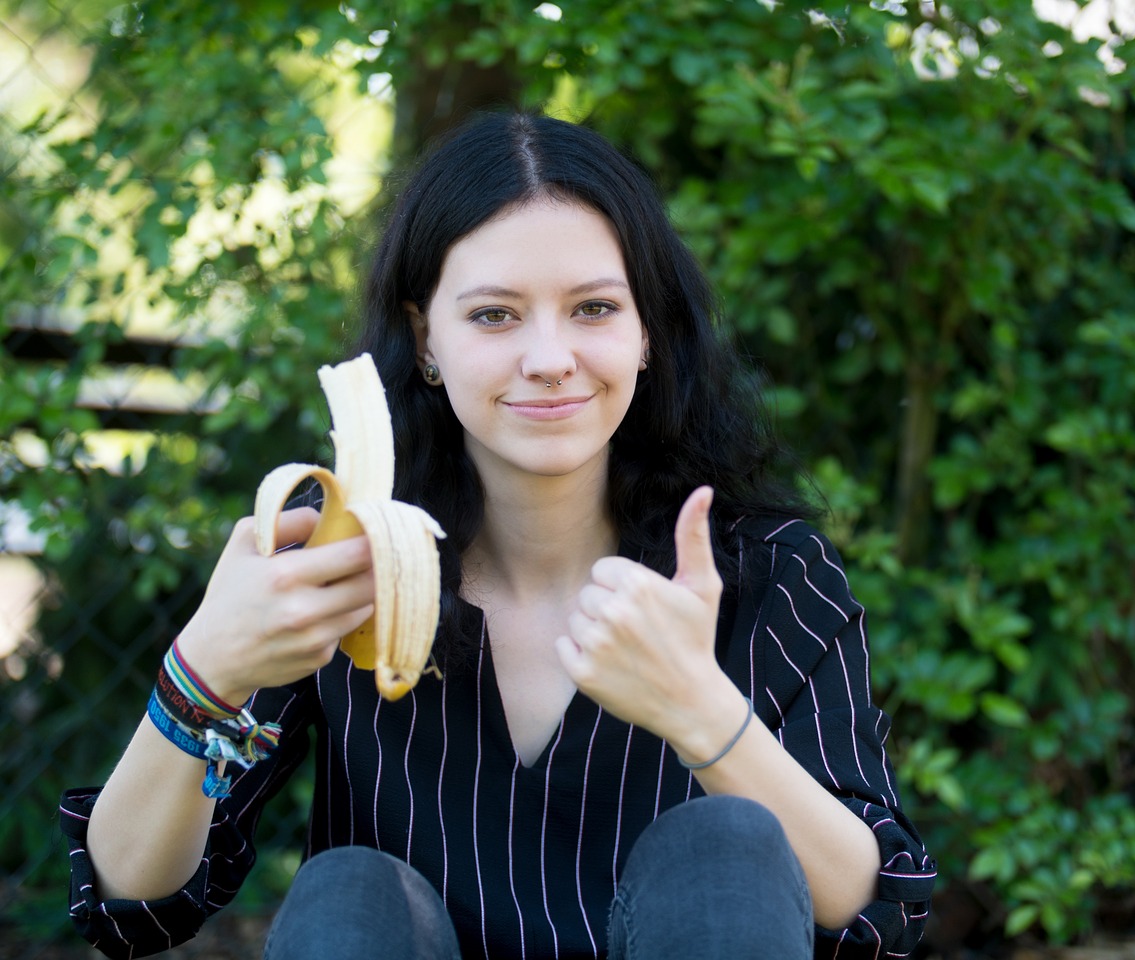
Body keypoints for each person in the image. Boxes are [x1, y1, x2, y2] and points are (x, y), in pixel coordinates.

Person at [60, 112, 935, 960]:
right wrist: (203, 671)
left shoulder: (767, 573)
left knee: (728, 851)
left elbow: (879, 909)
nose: (550, 357)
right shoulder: (331, 574)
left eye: (593, 309)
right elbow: (135, 907)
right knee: (348, 892)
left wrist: (698, 708)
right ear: (425, 339)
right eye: (494, 315)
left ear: (645, 335)